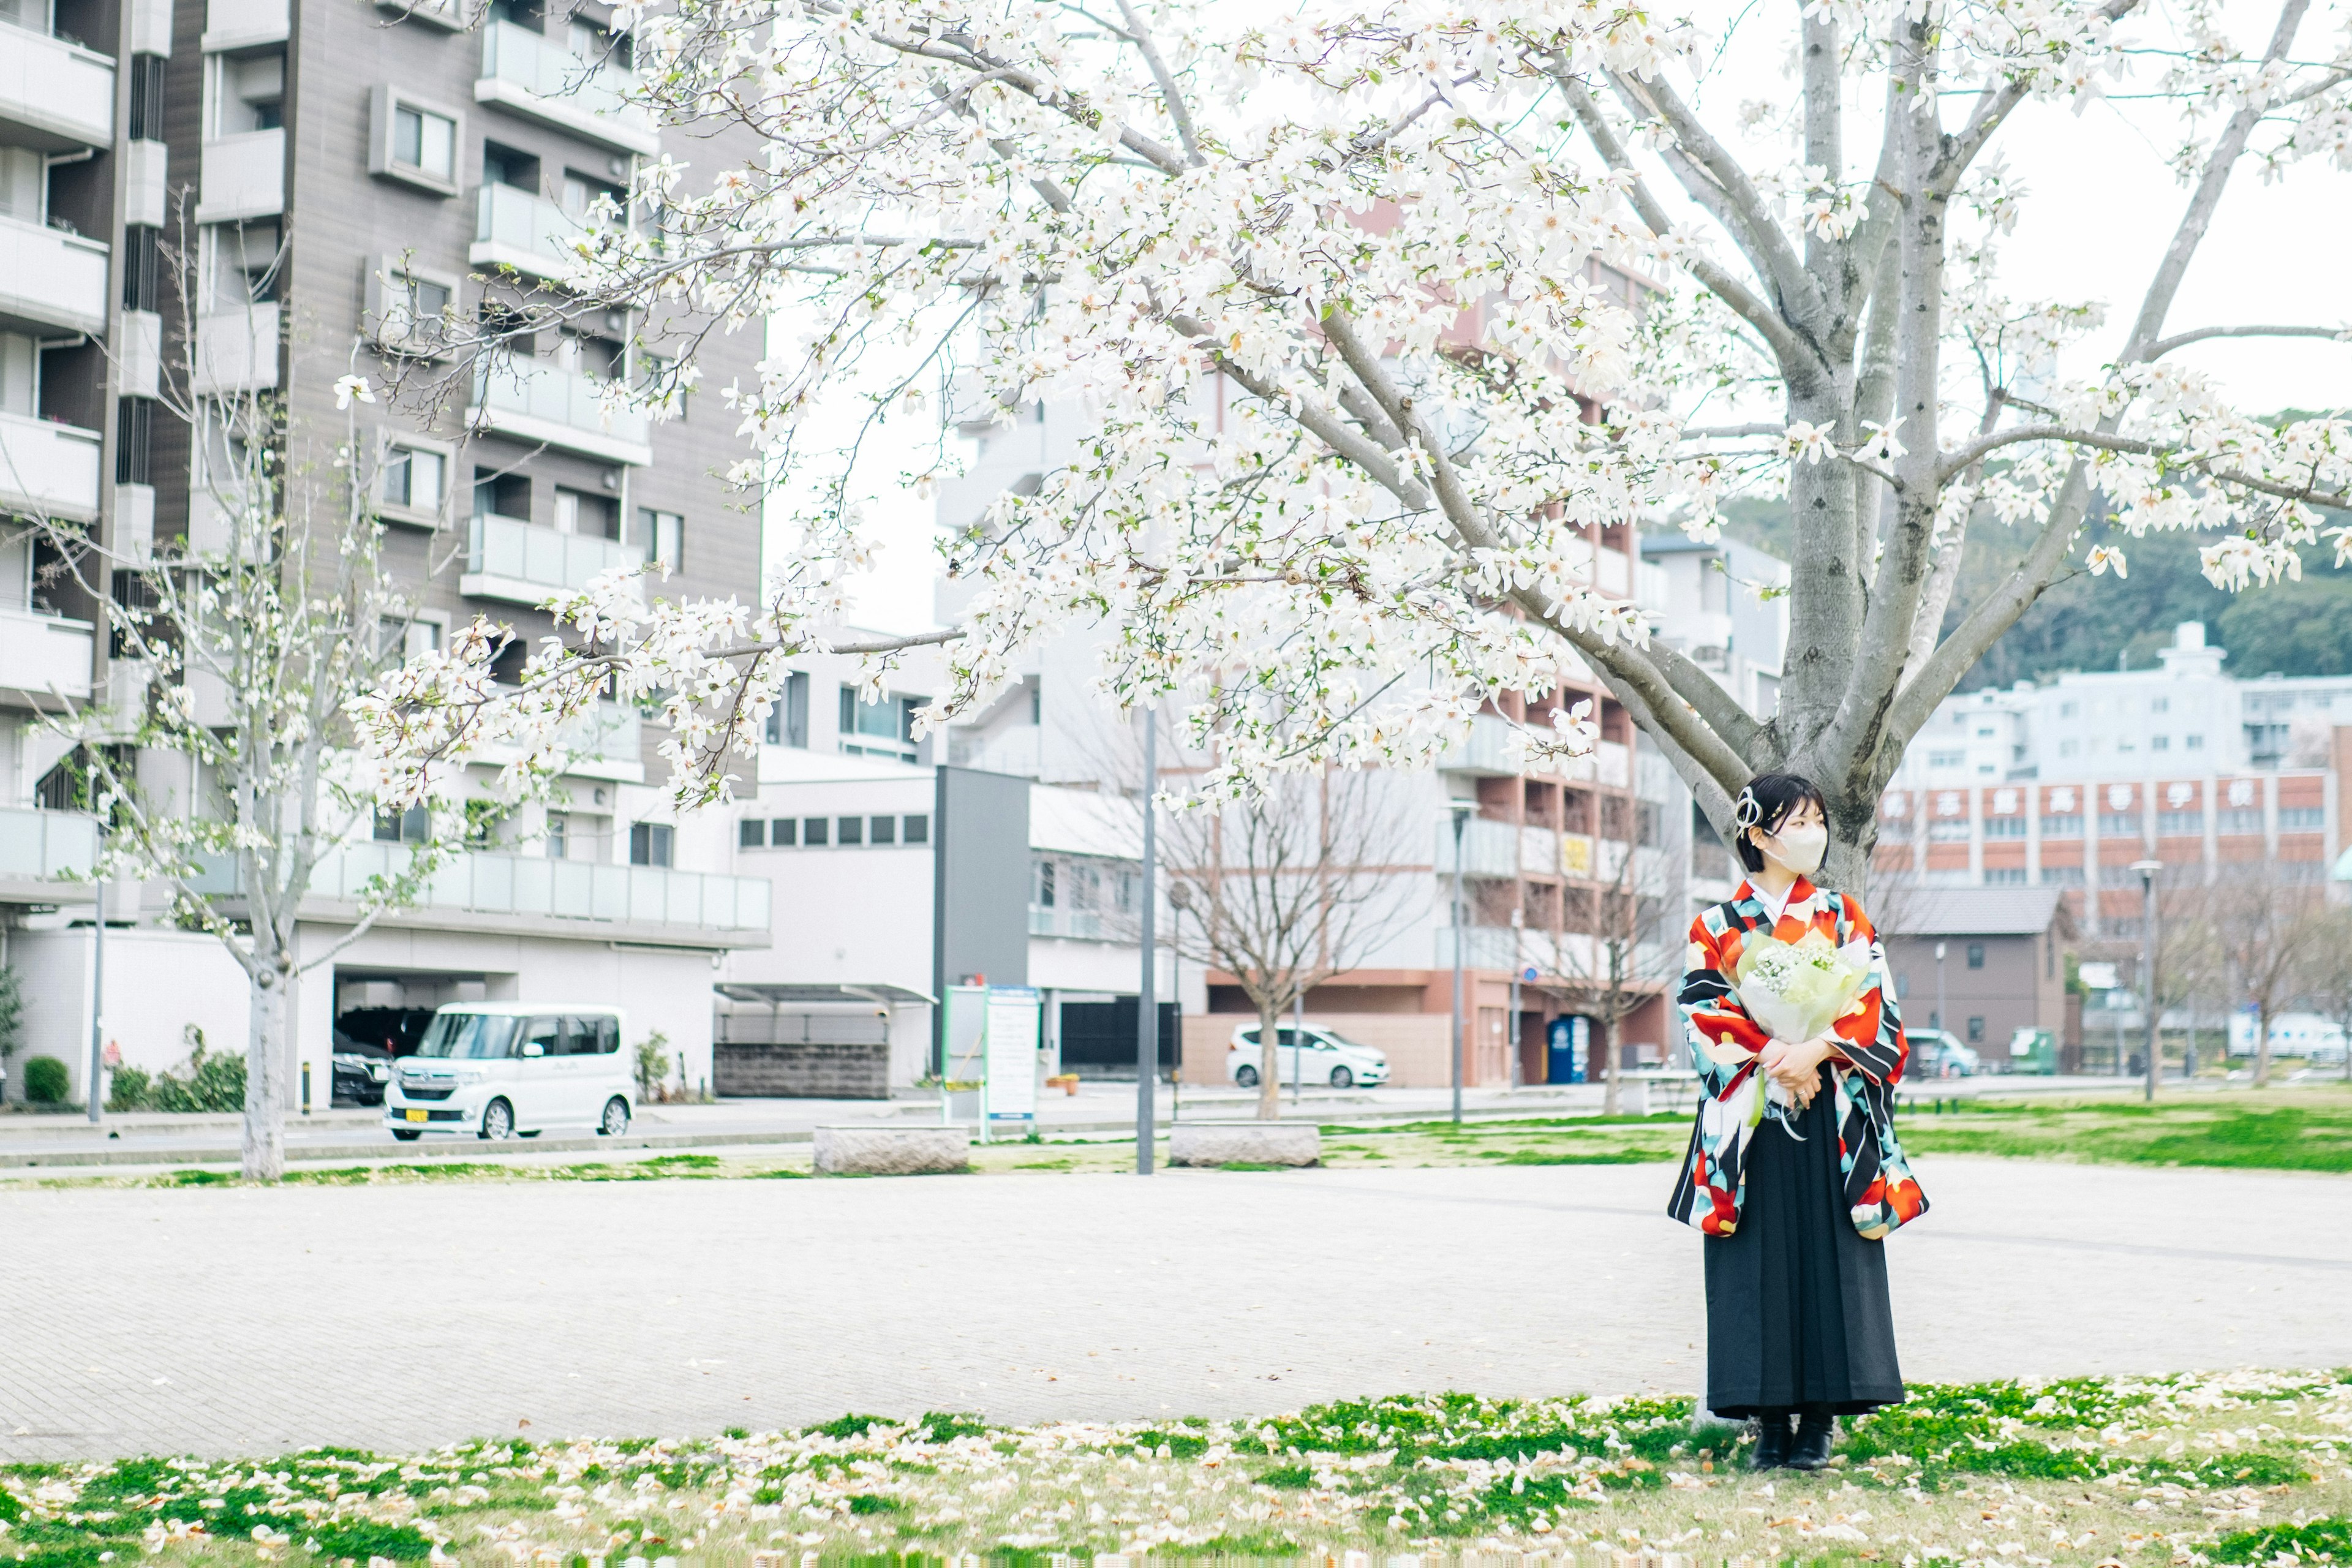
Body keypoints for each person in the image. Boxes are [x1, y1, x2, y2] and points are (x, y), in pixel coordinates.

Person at [1667, 772, 1928, 1470]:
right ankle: (1768, 1420)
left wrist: (1816, 1049)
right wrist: (1776, 1054)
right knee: (1757, 1260)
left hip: (1830, 1106)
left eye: (1819, 817)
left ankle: (1819, 1421)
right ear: (1757, 834)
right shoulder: (1715, 926)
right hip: (1754, 1112)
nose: (1814, 831)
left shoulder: (1844, 916)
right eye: (1799, 819)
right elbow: (1703, 1012)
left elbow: (1877, 1003)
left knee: (1828, 1255)